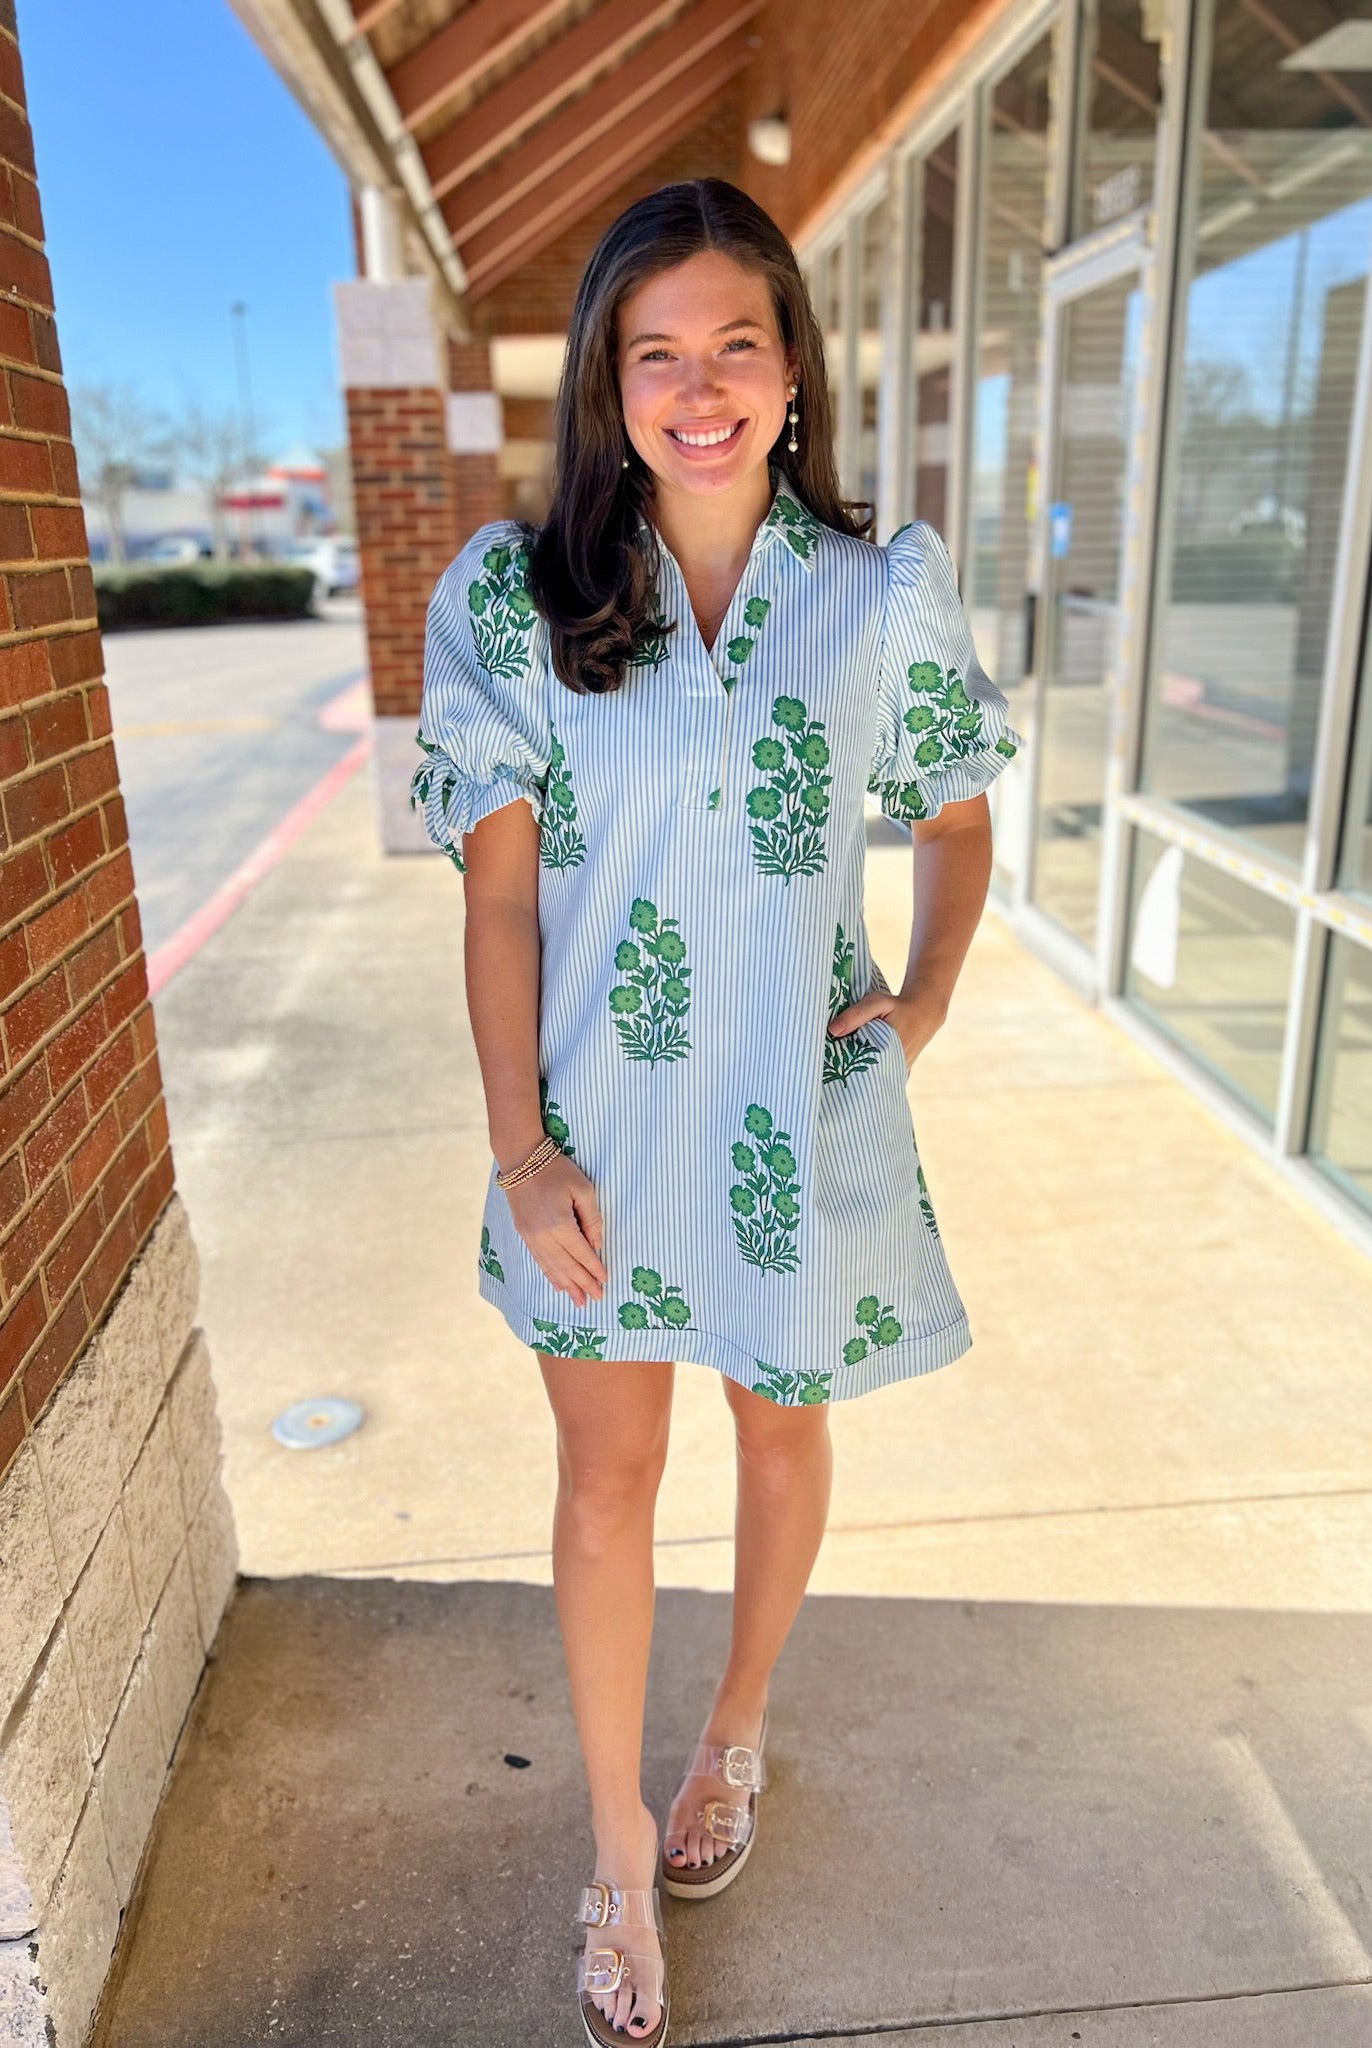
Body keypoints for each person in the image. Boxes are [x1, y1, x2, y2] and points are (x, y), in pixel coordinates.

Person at [410, 176, 1024, 2047]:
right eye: (653, 352)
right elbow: (500, 895)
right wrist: (519, 1142)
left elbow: (961, 809)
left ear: (787, 374)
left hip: (793, 1119)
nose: (695, 387)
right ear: (606, 381)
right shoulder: (516, 602)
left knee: (777, 1445)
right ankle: (613, 1849)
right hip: (591, 1135)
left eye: (731, 347)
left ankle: (733, 1735)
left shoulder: (872, 592)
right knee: (609, 1481)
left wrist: (915, 1001)